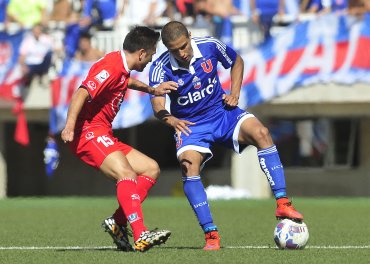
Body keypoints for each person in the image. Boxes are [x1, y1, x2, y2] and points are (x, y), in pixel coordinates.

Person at [148, 21, 304, 251]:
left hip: (222, 114)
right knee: (188, 166)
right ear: (167, 48)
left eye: (183, 46)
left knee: (262, 133)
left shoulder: (210, 46)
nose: (181, 53)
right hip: (191, 126)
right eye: (174, 50)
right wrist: (169, 119)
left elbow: (237, 61)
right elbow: (157, 103)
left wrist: (235, 92)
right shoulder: (160, 68)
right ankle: (211, 235)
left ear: (190, 36)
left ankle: (282, 203)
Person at [61, 26, 178, 252]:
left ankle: (118, 221)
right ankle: (141, 233)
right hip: (88, 132)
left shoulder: (121, 68)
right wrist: (69, 126)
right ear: (141, 53)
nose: (149, 61)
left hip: (103, 133)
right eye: (151, 55)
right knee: (126, 174)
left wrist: (153, 90)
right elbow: (82, 92)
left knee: (151, 168)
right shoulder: (112, 66)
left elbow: (126, 82)